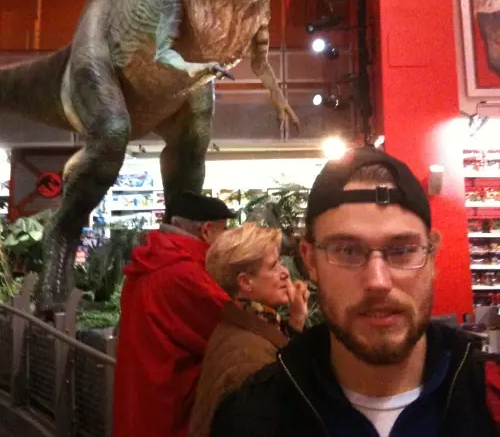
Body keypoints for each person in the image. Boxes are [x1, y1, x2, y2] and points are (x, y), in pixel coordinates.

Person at [211, 147, 500, 437]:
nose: (378, 281)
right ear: (310, 260)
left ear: (432, 256)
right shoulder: (249, 419)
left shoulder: (490, 400)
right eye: (347, 251)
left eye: (402, 250)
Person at [112, 191, 231, 437]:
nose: (227, 241)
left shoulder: (149, 261)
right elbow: (234, 332)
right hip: (172, 412)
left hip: (141, 403)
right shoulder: (186, 275)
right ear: (207, 231)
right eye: (225, 231)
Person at [189, 222, 309, 437]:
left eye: (281, 262)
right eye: (273, 266)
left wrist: (296, 320)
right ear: (245, 283)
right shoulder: (245, 355)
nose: (285, 273)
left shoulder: (245, 323)